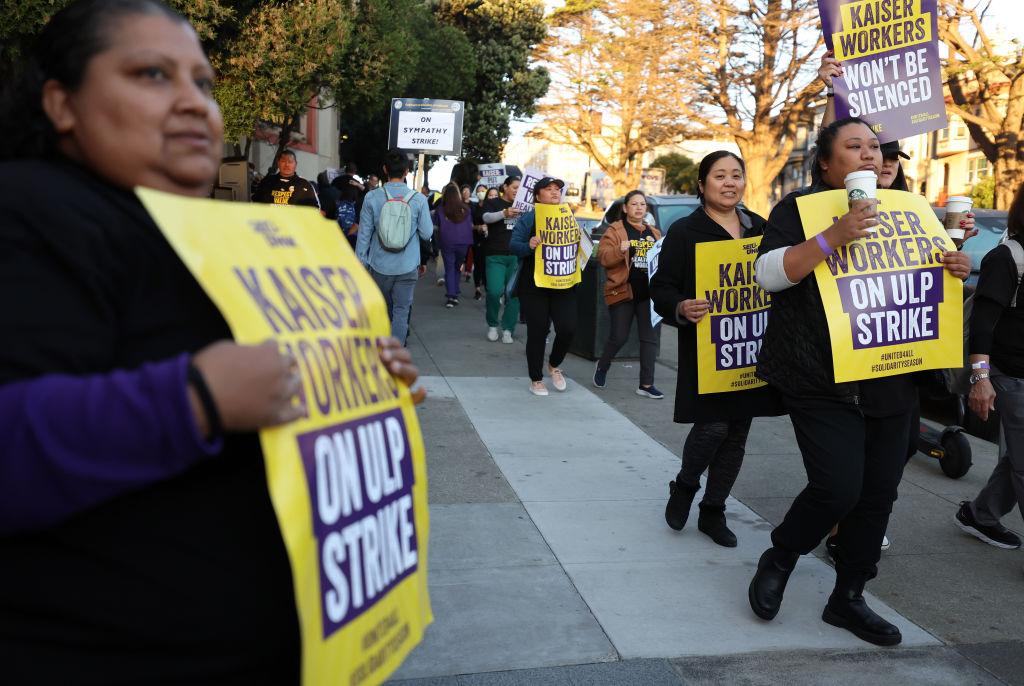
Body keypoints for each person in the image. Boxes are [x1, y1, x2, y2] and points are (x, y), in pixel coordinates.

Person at [0, 0, 425, 681]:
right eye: (151, 75)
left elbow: (254, 388)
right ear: (61, 103)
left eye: (202, 82)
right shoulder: (32, 211)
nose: (197, 104)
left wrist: (351, 383)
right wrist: (193, 399)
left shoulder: (208, 237)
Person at [746, 117, 970, 646]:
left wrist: (956, 265)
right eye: (854, 146)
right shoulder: (799, 209)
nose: (870, 155)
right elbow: (768, 275)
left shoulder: (912, 212)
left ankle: (848, 598)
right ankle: (781, 556)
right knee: (837, 488)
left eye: (875, 146)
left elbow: (930, 281)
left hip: (893, 377)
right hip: (821, 380)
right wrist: (833, 236)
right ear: (826, 163)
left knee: (877, 496)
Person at [650, 152, 782, 547]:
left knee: (738, 433)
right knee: (713, 427)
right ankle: (685, 486)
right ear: (703, 184)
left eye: (736, 175)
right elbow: (661, 288)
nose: (729, 183)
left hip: (753, 347)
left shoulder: (761, 228)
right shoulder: (686, 231)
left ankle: (714, 509)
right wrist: (679, 306)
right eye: (720, 176)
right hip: (708, 348)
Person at [955, 182, 1024, 550]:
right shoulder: (1007, 257)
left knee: (1019, 456)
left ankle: (979, 514)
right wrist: (981, 380)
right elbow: (982, 324)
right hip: (1012, 375)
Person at [357, 149, 434, 346]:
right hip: (407, 266)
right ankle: (395, 359)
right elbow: (427, 233)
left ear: (384, 169)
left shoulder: (372, 197)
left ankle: (380, 352)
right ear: (407, 171)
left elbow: (364, 235)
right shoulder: (418, 199)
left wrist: (360, 264)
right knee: (401, 312)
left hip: (379, 265)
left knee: (382, 310)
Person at [510, 177, 578, 396]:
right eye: (548, 189)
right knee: (538, 331)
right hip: (535, 284)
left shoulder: (568, 215)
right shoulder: (529, 218)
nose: (554, 192)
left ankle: (554, 365)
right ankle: (536, 379)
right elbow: (513, 246)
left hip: (563, 283)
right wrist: (528, 246)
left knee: (568, 328)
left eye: (557, 189)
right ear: (538, 196)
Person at [595, 190, 663, 399]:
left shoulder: (654, 233)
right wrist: (619, 250)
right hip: (623, 291)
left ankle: (646, 384)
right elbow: (603, 257)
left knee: (649, 339)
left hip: (648, 295)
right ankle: (602, 366)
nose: (639, 208)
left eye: (642, 204)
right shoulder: (616, 230)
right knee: (619, 336)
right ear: (625, 208)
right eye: (634, 204)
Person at [480, 176, 523, 343]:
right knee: (494, 292)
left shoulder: (524, 206)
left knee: (513, 295)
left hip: (515, 257)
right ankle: (492, 324)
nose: (517, 191)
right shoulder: (493, 202)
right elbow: (486, 218)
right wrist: (505, 213)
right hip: (495, 255)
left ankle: (508, 329)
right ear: (505, 187)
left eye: (520, 188)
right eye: (514, 187)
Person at [433, 184, 474, 307]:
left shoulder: (441, 209)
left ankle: (451, 295)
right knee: (457, 267)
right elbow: (469, 225)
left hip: (447, 241)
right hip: (464, 242)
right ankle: (455, 291)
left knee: (449, 268)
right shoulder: (466, 209)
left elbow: (435, 226)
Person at [252, 149, 320, 209]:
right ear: (278, 163)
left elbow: (314, 209)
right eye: (283, 161)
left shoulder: (304, 185)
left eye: (290, 162)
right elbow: (255, 205)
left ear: (295, 164)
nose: (287, 165)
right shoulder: (267, 182)